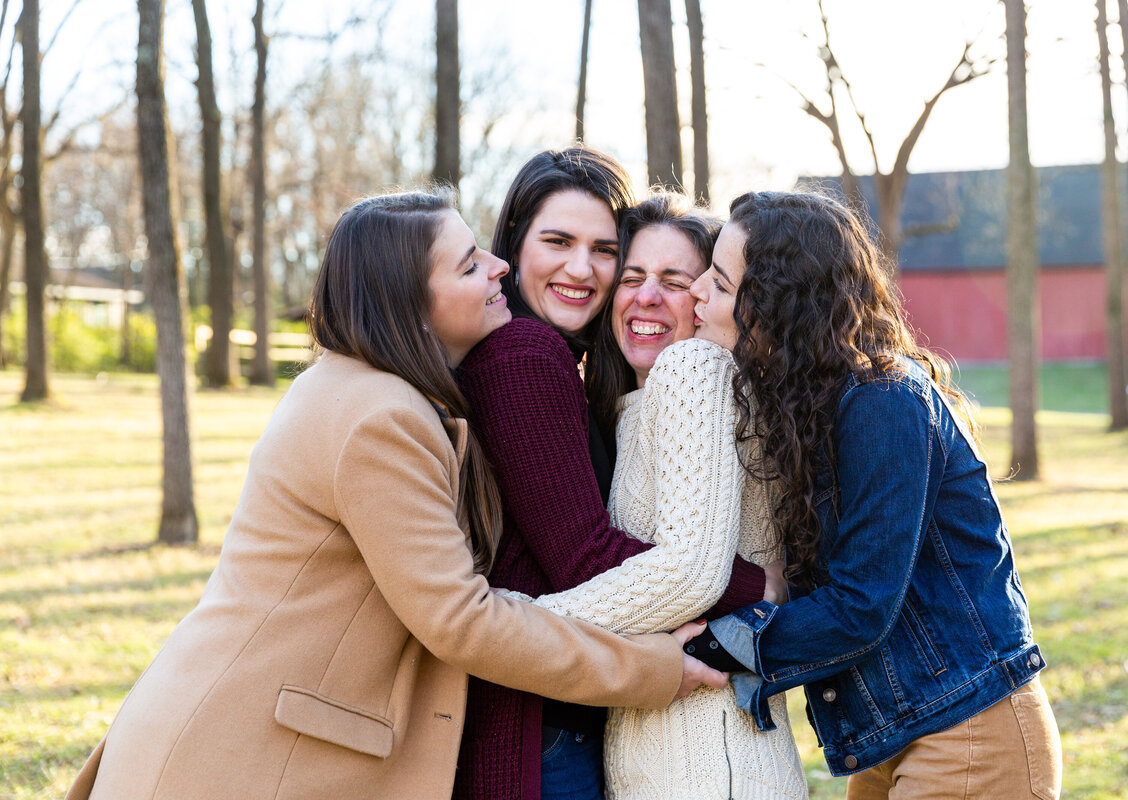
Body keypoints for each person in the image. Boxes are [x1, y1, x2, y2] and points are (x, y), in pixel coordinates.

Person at [65, 191, 724, 800]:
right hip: (238, 761)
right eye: (469, 266)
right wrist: (654, 667)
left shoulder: (372, 391)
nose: (498, 267)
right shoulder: (382, 419)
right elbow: (463, 621)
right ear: (410, 303)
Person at [696, 191, 1063, 799]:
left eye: (719, 282)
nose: (697, 295)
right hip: (896, 732)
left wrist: (722, 643)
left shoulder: (881, 400)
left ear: (780, 307)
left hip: (968, 728)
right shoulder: (809, 404)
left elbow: (861, 605)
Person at [453, 150, 777, 800]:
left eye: (603, 248)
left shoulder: (587, 381)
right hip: (538, 730)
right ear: (511, 244)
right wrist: (754, 585)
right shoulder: (527, 354)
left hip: (573, 718)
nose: (582, 268)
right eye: (557, 241)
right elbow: (584, 557)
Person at [513, 191, 809, 799]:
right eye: (632, 277)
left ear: (706, 297)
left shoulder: (691, 369)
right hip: (676, 754)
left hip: (706, 763)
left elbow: (689, 572)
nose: (646, 297)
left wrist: (511, 625)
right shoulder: (640, 405)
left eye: (675, 280)